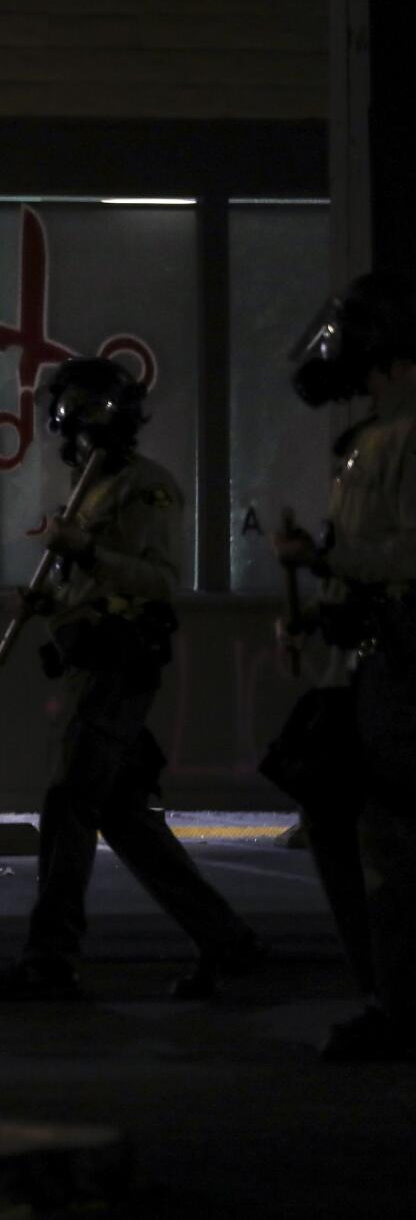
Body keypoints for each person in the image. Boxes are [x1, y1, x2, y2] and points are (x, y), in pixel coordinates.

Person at [0, 358, 262, 1001]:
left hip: (115, 667)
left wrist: (84, 551)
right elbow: (89, 585)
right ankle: (224, 939)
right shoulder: (91, 485)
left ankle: (50, 955)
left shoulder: (143, 488)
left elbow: (155, 581)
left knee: (69, 801)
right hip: (87, 662)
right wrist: (47, 604)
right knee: (123, 815)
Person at [271, 272, 416, 1060]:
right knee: (347, 821)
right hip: (366, 657)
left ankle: (396, 1005)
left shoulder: (406, 435)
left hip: (401, 661)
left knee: (392, 839)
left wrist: (329, 556)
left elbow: (405, 554)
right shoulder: (367, 441)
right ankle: (383, 990)